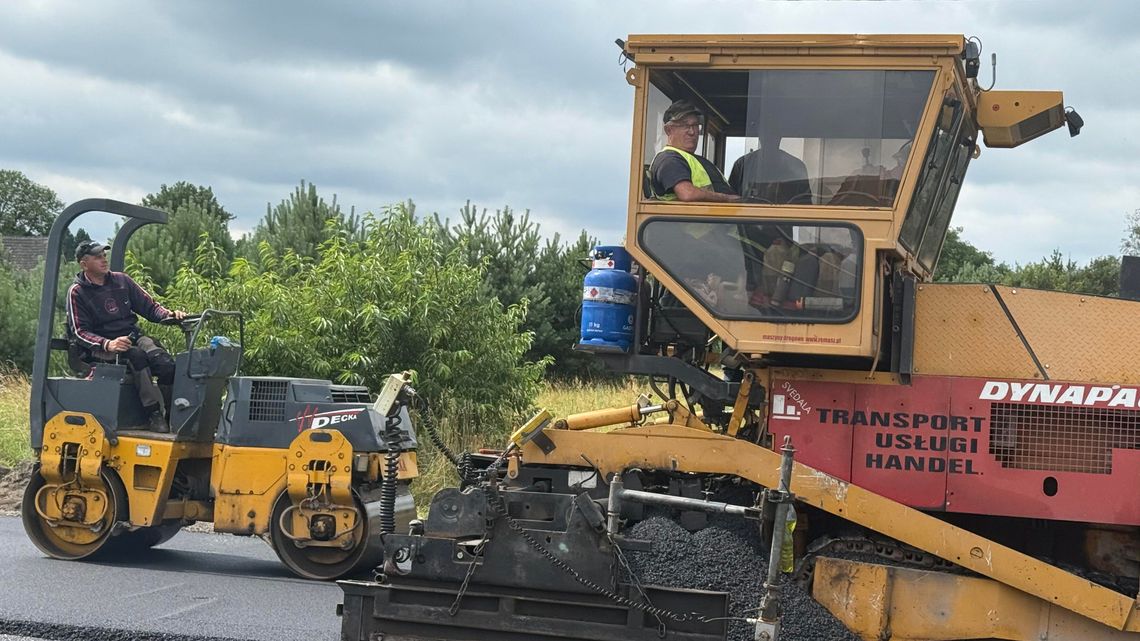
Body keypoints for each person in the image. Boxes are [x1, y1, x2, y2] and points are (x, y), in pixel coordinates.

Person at [66, 240, 187, 432]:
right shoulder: (77, 292)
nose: (104, 260)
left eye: (104, 255)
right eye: (98, 257)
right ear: (84, 264)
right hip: (101, 348)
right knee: (137, 357)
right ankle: (153, 414)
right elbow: (79, 331)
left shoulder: (122, 280)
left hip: (132, 337)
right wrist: (108, 344)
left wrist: (170, 315)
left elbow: (151, 307)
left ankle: (172, 414)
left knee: (164, 362)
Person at [649, 99, 740, 203]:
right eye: (685, 126)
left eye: (695, 125)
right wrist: (727, 198)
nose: (692, 132)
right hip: (692, 218)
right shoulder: (668, 160)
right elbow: (687, 194)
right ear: (669, 130)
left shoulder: (691, 159)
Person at [728, 132, 812, 205]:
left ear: (780, 136)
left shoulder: (796, 167)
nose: (769, 138)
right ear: (759, 136)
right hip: (746, 220)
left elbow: (805, 206)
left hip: (784, 221)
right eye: (766, 133)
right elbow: (728, 201)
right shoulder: (742, 165)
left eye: (773, 133)